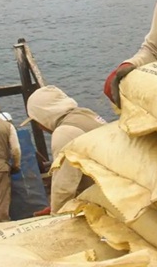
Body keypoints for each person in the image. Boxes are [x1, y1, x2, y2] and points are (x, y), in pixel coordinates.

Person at [21, 85, 106, 214]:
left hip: (105, 203)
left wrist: (56, 216)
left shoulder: (66, 132)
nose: (39, 127)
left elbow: (64, 187)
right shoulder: (87, 114)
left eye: (37, 121)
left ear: (44, 115)